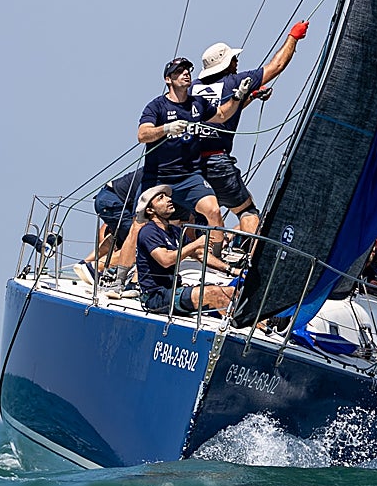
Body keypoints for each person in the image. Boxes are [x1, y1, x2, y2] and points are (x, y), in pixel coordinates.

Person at [190, 21, 309, 237]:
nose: (237, 62)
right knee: (247, 211)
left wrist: (250, 96)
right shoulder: (234, 81)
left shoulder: (192, 88)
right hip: (216, 162)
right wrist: (293, 37)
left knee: (192, 215)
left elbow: (221, 111)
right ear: (226, 64)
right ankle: (250, 262)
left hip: (188, 163)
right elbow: (277, 66)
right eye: (234, 59)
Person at [137, 56, 250, 258]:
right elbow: (142, 135)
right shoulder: (157, 106)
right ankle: (120, 276)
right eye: (179, 72)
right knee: (140, 226)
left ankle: (213, 259)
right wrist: (166, 128)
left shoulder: (197, 103)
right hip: (159, 177)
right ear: (168, 79)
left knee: (214, 212)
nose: (185, 73)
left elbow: (222, 115)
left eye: (187, 70)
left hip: (189, 176)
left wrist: (238, 96)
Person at [134, 184, 236, 316]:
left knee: (232, 292)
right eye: (161, 198)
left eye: (167, 196)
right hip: (156, 297)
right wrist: (197, 243)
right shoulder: (148, 231)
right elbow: (165, 260)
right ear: (150, 210)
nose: (168, 199)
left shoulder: (175, 231)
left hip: (174, 290)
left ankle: (260, 326)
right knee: (214, 293)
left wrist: (231, 270)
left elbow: (200, 254)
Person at [81, 167, 143, 282]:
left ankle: (86, 263)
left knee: (119, 239)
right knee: (139, 244)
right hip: (115, 202)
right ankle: (95, 267)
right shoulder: (163, 176)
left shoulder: (155, 169)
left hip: (105, 198)